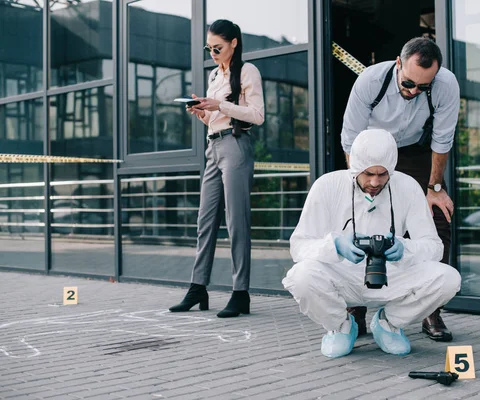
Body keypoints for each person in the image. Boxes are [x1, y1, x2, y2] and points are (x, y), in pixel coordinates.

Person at [282, 129, 461, 358]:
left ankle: (389, 324)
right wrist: (334, 244)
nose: (375, 182)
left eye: (383, 174)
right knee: (301, 276)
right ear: (355, 166)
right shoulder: (327, 185)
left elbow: (434, 246)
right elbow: (298, 246)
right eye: (368, 174)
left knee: (448, 279)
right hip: (342, 275)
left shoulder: (408, 187)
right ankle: (341, 326)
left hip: (391, 274)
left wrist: (403, 249)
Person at [340, 37, 460, 341]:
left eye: (423, 87)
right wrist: (362, 182)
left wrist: (434, 187)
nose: (413, 91)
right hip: (371, 151)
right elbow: (351, 140)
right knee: (362, 221)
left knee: (438, 218)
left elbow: (442, 140)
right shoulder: (370, 81)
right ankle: (356, 309)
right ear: (398, 64)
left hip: (416, 150)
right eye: (408, 83)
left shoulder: (446, 84)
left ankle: (431, 310)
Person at [169, 19, 264, 318]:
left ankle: (241, 293)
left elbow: (257, 115)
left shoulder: (247, 72)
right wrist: (203, 111)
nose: (212, 52)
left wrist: (219, 105)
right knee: (205, 221)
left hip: (236, 145)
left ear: (234, 43)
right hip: (214, 146)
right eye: (209, 48)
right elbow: (216, 116)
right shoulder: (214, 75)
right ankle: (198, 287)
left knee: (237, 222)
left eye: (218, 47)